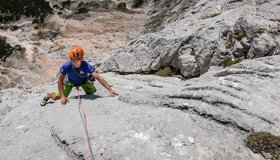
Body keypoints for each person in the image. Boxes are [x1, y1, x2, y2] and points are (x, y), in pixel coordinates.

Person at [40, 46, 118, 106]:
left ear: (81, 59)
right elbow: (60, 80)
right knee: (56, 97)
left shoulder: (86, 66)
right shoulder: (67, 66)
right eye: (72, 60)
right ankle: (49, 95)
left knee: (91, 93)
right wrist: (63, 96)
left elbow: (98, 77)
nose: (74, 63)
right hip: (70, 82)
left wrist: (110, 90)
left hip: (83, 81)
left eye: (76, 60)